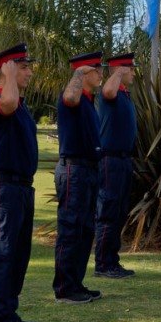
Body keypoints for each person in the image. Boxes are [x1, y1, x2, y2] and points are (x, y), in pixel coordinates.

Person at [0, 43, 40, 322]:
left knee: (18, 255)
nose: (30, 72)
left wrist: (12, 78)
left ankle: (9, 311)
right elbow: (7, 105)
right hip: (3, 188)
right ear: (8, 68)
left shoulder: (19, 101)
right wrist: (7, 79)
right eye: (24, 66)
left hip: (20, 188)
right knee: (2, 254)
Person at [53, 52, 104, 305]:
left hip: (88, 170)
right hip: (73, 170)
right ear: (84, 71)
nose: (101, 74)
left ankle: (76, 282)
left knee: (85, 229)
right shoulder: (71, 98)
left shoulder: (88, 101)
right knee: (71, 228)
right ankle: (64, 287)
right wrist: (78, 73)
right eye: (96, 69)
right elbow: (70, 96)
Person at [93, 52, 138, 279]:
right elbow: (107, 90)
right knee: (108, 212)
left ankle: (112, 260)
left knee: (119, 212)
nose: (133, 73)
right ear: (120, 70)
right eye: (129, 69)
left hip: (123, 160)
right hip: (110, 159)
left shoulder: (124, 95)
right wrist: (118, 72)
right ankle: (102, 263)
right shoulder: (110, 92)